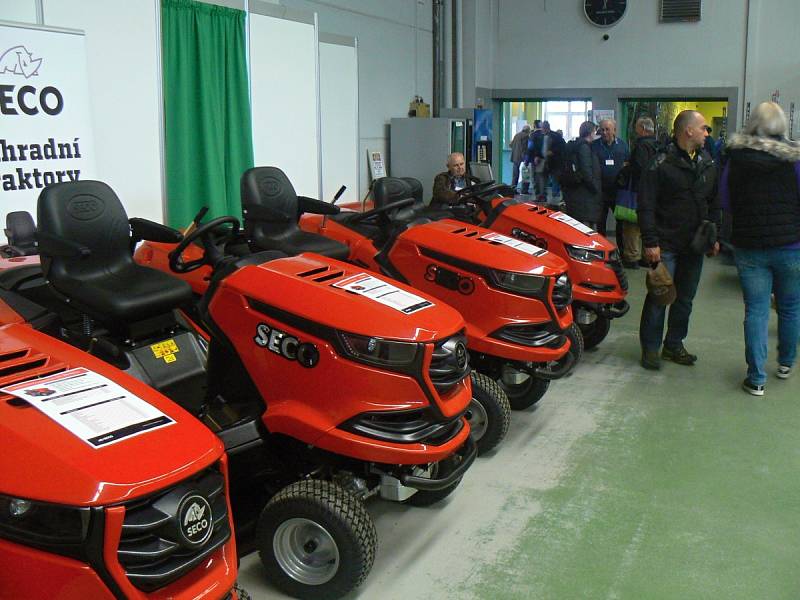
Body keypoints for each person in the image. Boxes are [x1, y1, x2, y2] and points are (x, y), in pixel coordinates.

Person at [720, 101, 800, 395]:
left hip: (749, 245)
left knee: (756, 309)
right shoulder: (795, 160)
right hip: (791, 245)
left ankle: (756, 378)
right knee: (790, 306)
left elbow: (726, 203)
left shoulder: (736, 160)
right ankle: (786, 363)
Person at [637, 110, 719, 370]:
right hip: (666, 244)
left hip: (693, 245)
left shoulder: (706, 162)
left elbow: (712, 204)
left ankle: (674, 344)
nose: (708, 133)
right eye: (703, 128)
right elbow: (646, 205)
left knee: (685, 299)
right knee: (660, 296)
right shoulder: (661, 163)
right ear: (688, 131)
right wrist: (650, 242)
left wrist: (712, 237)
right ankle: (651, 348)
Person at [619, 116, 659, 269]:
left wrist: (627, 168)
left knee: (632, 227)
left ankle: (632, 257)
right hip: (653, 193)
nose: (634, 130)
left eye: (636, 127)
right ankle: (645, 257)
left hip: (636, 192)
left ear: (642, 128)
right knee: (646, 225)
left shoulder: (641, 146)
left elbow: (639, 169)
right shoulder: (658, 145)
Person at [591, 118, 630, 236]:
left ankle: (621, 251)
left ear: (614, 130)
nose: (604, 132)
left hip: (617, 191)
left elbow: (627, 164)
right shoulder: (594, 146)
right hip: (600, 191)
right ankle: (603, 250)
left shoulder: (622, 145)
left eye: (607, 129)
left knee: (620, 222)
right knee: (600, 222)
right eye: (602, 129)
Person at [563, 121, 603, 229]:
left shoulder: (575, 145)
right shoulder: (584, 147)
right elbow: (587, 171)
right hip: (586, 196)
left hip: (577, 194)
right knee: (587, 229)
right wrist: (595, 188)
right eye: (595, 131)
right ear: (590, 132)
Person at [509, 124, 531, 190]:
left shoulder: (517, 135)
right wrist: (526, 159)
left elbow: (511, 145)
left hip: (515, 157)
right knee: (525, 174)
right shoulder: (526, 136)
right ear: (528, 130)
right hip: (522, 157)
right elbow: (525, 148)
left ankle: (513, 187)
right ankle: (524, 189)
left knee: (515, 173)